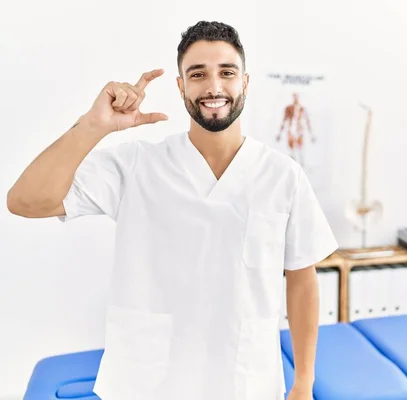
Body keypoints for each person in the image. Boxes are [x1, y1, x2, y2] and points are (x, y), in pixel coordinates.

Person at [7, 21, 337, 400]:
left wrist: (304, 383)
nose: (213, 87)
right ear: (181, 86)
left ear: (245, 82)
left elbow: (301, 279)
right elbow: (25, 201)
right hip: (149, 384)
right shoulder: (136, 165)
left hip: (246, 381)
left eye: (226, 72)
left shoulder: (283, 176)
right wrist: (93, 127)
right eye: (198, 74)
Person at [276, 92, 316, 167]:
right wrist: (279, 134)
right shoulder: (288, 108)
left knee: (300, 149)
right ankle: (293, 166)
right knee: (292, 150)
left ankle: (302, 165)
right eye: (294, 97)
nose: (295, 98)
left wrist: (311, 135)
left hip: (299, 130)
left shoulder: (302, 109)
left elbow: (307, 121)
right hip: (291, 130)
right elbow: (284, 120)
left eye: (296, 97)